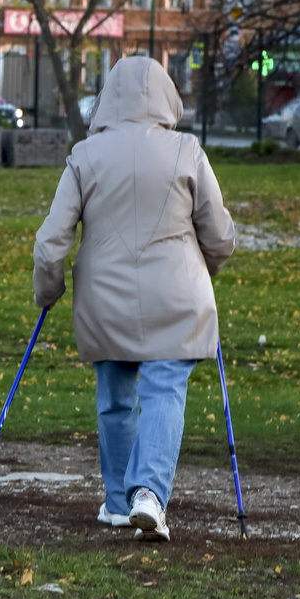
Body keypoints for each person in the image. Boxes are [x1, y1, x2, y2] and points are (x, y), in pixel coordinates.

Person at [32, 56, 235, 541]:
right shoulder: (187, 150)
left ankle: (121, 503)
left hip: (104, 300)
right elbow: (220, 235)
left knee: (115, 399)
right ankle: (148, 494)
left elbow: (50, 243)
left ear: (108, 99)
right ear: (167, 97)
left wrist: (49, 290)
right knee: (165, 390)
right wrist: (205, 269)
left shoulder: (85, 155)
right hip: (177, 297)